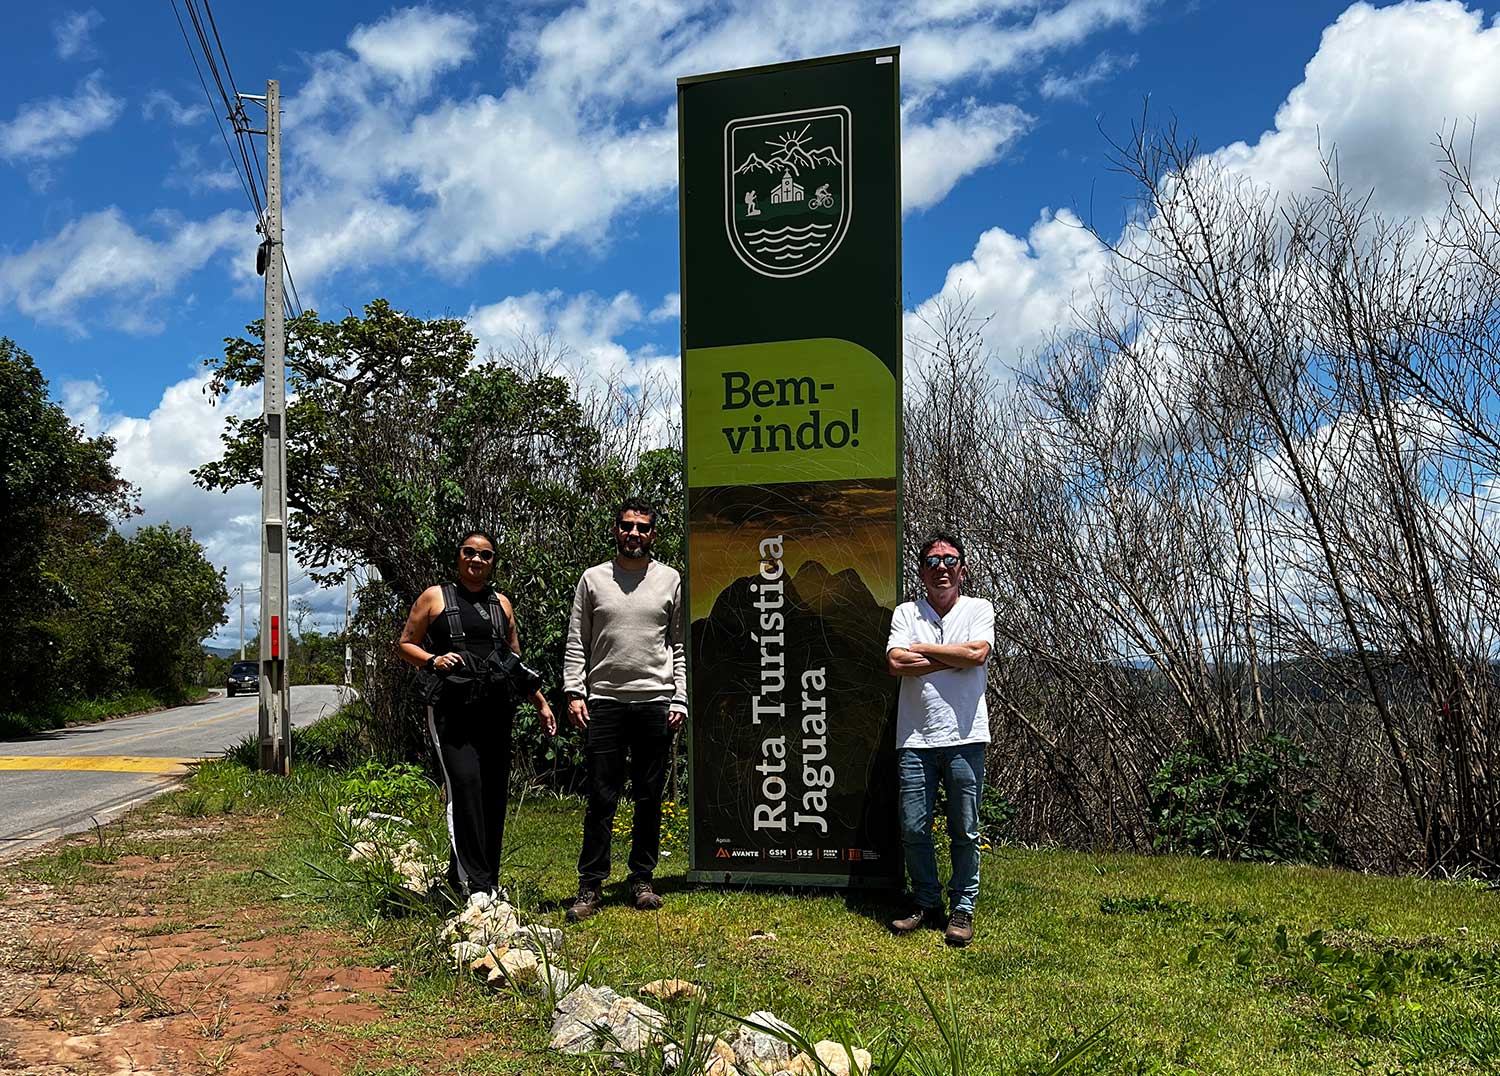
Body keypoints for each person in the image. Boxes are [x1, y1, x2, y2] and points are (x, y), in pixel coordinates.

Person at [398, 530, 556, 898]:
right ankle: (478, 886)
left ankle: (475, 878)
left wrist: (541, 703)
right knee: (466, 787)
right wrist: (433, 660)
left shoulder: (501, 604)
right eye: (469, 552)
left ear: (492, 562)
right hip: (451, 712)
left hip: (496, 711)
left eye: (485, 555)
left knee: (493, 794)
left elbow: (514, 662)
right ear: (458, 556)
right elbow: (405, 644)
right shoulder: (434, 598)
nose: (477, 560)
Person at [562, 498, 687, 920]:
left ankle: (642, 880)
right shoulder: (593, 579)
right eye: (627, 526)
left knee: (650, 797)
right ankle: (590, 886)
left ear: (653, 534)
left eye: (642, 527)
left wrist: (681, 696)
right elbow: (577, 640)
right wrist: (574, 692)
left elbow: (680, 645)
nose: (634, 533)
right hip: (605, 703)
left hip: (656, 701)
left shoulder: (671, 580)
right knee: (601, 797)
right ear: (615, 530)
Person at [885, 532, 994, 946]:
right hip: (915, 737)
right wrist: (953, 657)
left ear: (962, 569)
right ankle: (927, 902)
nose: (941, 568)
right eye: (932, 561)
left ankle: (962, 908)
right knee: (914, 826)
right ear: (921, 571)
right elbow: (895, 662)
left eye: (950, 560)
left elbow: (977, 655)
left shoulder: (978, 609)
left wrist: (925, 652)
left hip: (966, 735)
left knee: (964, 828)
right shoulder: (905, 612)